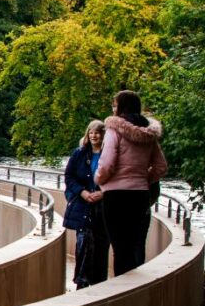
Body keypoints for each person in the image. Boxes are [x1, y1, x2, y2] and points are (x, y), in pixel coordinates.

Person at [96, 90, 168, 277]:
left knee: (120, 248)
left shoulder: (113, 131)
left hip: (116, 196)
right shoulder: (149, 135)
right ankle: (135, 287)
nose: (113, 109)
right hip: (140, 195)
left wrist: (99, 179)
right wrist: (143, 178)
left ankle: (122, 289)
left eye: (115, 105)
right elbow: (161, 166)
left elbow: (107, 164)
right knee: (134, 245)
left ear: (121, 107)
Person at [63, 120, 110, 288]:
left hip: (103, 209)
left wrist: (103, 193)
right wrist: (83, 192)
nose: (93, 135)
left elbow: (116, 178)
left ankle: (99, 285)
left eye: (97, 132)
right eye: (91, 132)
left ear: (103, 135)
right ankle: (81, 283)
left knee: (101, 247)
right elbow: (69, 177)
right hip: (83, 207)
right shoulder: (79, 154)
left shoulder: (109, 154)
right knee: (83, 245)